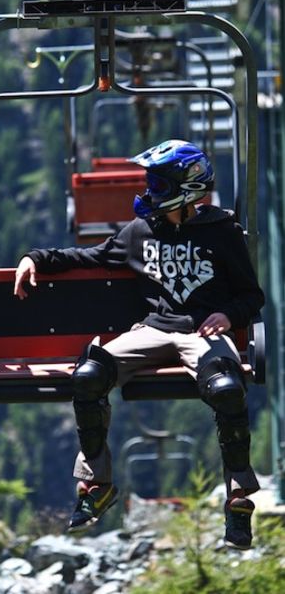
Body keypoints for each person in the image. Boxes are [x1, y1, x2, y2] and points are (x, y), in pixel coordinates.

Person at [13, 139, 265, 550]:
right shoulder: (141, 231)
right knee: (90, 374)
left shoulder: (221, 231)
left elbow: (252, 296)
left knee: (226, 387)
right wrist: (35, 258)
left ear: (188, 187)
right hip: (151, 330)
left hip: (202, 332)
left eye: (159, 185)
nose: (150, 192)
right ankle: (97, 485)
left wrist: (229, 316)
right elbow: (89, 257)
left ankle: (237, 499)